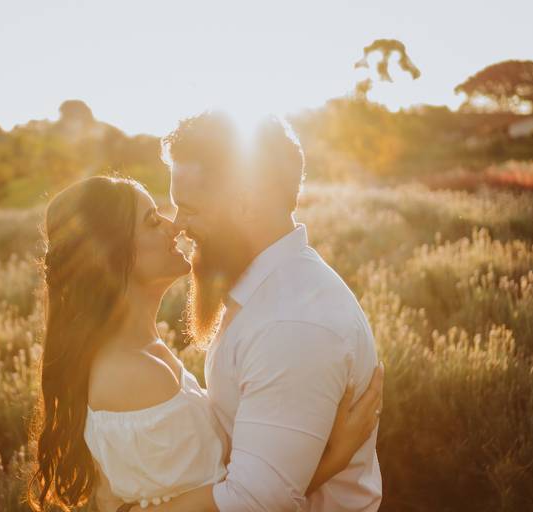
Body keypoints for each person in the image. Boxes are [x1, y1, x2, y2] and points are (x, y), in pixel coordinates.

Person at [28, 159, 382, 511]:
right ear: (112, 255)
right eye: (153, 221)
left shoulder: (144, 352)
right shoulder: (133, 373)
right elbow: (232, 499)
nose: (174, 226)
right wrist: (335, 458)